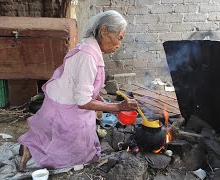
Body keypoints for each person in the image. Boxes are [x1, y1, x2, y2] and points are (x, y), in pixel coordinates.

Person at [18, 10, 138, 171]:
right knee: (76, 156)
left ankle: (32, 148)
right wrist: (118, 107)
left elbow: (85, 89)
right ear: (104, 31)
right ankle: (32, 150)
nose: (119, 44)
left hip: (62, 101)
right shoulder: (88, 56)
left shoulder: (89, 47)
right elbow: (83, 101)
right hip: (65, 108)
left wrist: (109, 103)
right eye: (119, 38)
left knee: (68, 143)